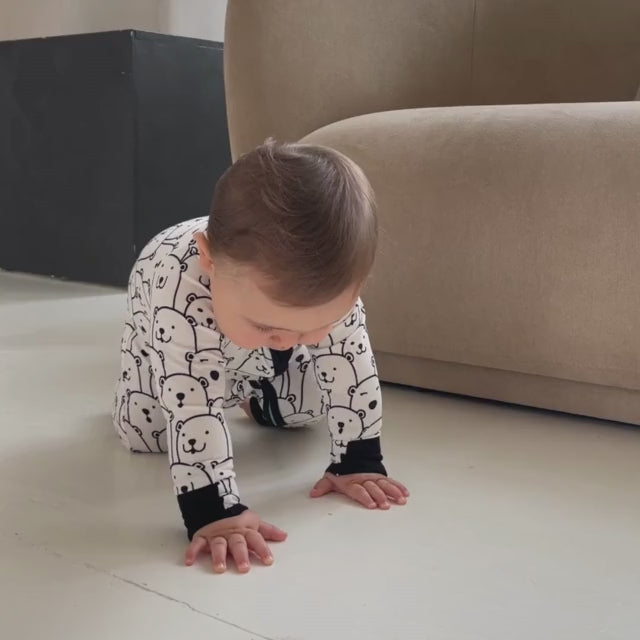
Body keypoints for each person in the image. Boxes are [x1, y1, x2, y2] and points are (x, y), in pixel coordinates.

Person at [112, 139, 409, 574]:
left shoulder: (331, 288)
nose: (287, 342)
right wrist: (214, 512)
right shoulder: (176, 288)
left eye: (309, 329)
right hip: (167, 338)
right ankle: (162, 390)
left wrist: (357, 460)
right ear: (210, 259)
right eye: (268, 327)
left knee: (310, 401)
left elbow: (350, 362)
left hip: (243, 345)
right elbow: (190, 403)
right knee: (147, 433)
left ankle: (249, 394)